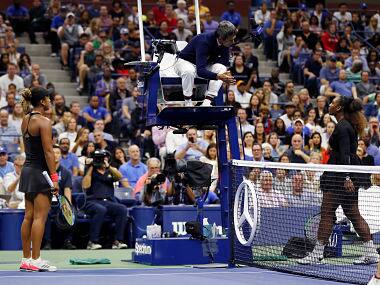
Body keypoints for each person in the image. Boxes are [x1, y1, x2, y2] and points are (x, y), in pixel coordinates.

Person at [298, 96, 379, 265]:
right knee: (353, 214)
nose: (331, 104)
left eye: (333, 103)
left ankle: (317, 254)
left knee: (327, 212)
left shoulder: (342, 127)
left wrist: (346, 177)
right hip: (345, 173)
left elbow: (344, 155)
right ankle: (371, 252)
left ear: (339, 107)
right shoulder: (347, 125)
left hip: (339, 175)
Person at [18, 87, 58, 271]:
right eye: (48, 98)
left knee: (29, 217)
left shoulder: (25, 120)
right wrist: (54, 178)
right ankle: (36, 259)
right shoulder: (44, 121)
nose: (50, 100)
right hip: (40, 173)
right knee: (40, 217)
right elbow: (49, 152)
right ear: (42, 101)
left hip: (27, 170)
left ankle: (26, 259)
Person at [174, 21, 236, 106]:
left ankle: (207, 101)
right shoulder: (204, 41)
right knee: (189, 71)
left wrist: (223, 75)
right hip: (185, 61)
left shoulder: (224, 42)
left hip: (202, 65)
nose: (233, 42)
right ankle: (188, 101)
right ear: (221, 38)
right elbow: (200, 71)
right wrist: (218, 76)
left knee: (222, 68)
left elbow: (224, 62)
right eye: (231, 40)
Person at [82, 149, 128, 250]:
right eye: (98, 158)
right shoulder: (90, 170)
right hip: (92, 201)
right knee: (100, 209)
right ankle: (92, 242)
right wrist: (90, 167)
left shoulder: (110, 170)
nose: (100, 160)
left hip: (108, 202)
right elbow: (85, 185)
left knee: (122, 209)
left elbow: (120, 177)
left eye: (103, 157)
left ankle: (118, 241)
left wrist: (108, 166)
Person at [43, 145, 75, 250]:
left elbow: (67, 191)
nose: (55, 155)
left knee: (70, 213)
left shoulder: (66, 172)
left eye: (57, 153)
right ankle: (47, 243)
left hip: (60, 203)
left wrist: (67, 206)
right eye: (53, 153)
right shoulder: (43, 171)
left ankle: (68, 241)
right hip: (45, 203)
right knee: (45, 214)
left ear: (61, 156)